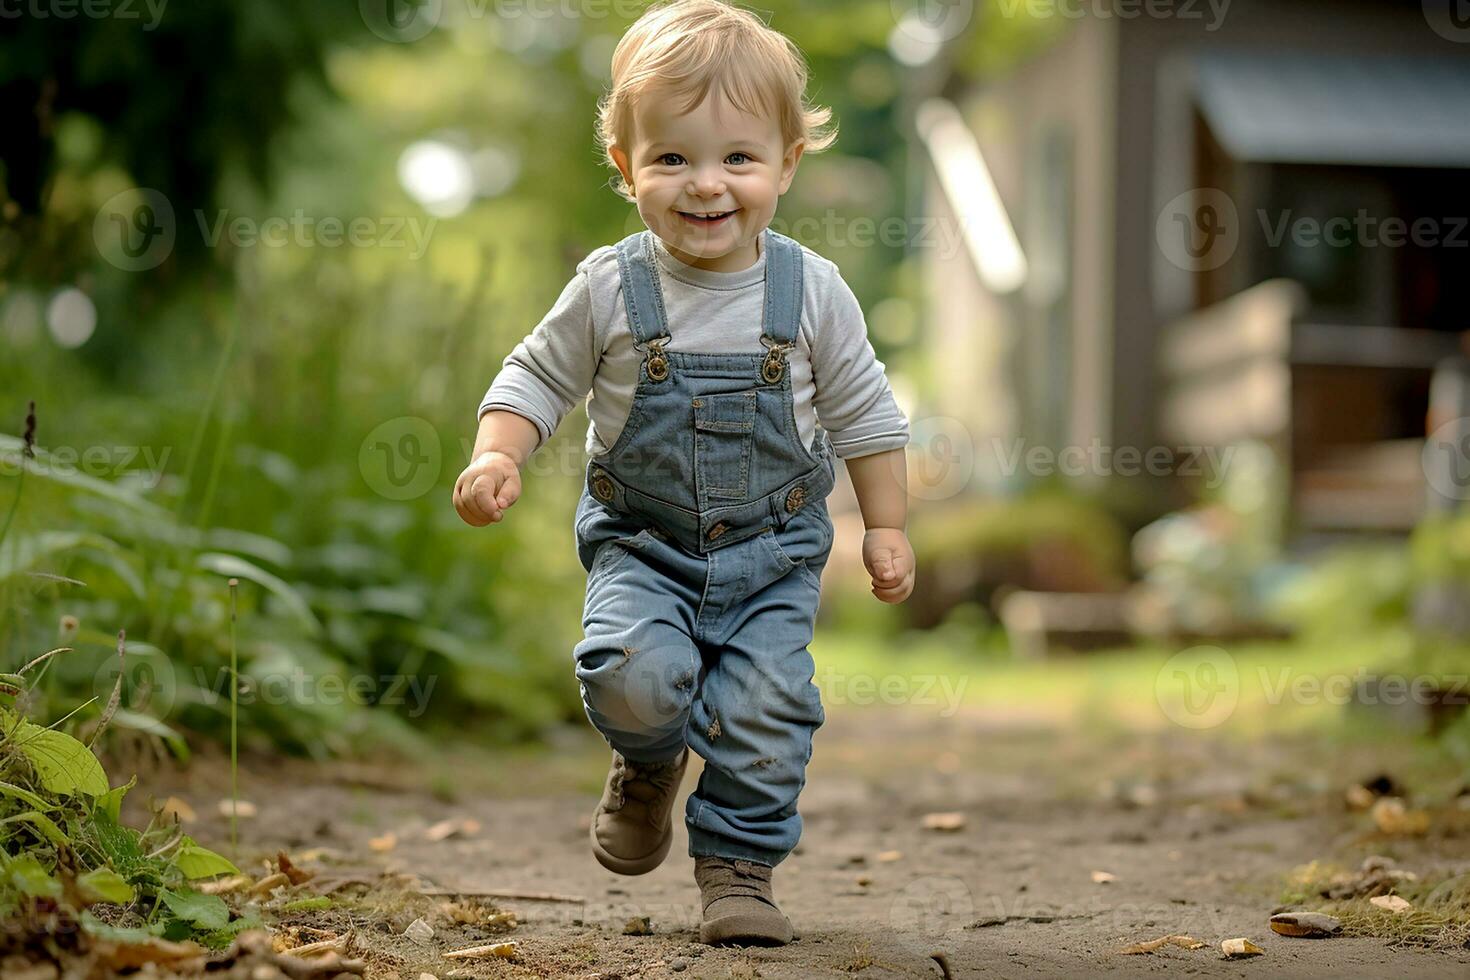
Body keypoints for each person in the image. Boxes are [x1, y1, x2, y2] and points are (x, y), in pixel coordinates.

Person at [453, 0, 914, 946]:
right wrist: (499, 452)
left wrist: (889, 525)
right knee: (632, 677)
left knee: (766, 707)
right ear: (627, 170)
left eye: (738, 158)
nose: (706, 185)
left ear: (787, 162)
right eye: (672, 158)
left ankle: (740, 865)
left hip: (773, 556)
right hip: (643, 549)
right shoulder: (610, 287)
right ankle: (651, 760)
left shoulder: (812, 292)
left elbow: (867, 415)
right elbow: (536, 374)